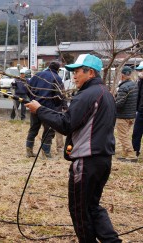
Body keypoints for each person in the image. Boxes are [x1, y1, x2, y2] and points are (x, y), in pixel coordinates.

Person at [26, 54, 121, 242]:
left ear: (91, 72)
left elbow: (66, 124)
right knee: (92, 206)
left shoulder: (87, 95)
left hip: (87, 160)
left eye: (77, 71)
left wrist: (40, 110)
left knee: (79, 209)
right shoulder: (105, 93)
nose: (74, 76)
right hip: (103, 159)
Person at [25, 62, 64, 158]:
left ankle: (29, 151)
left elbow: (28, 88)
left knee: (33, 128)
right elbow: (59, 96)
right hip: (48, 108)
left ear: (48, 67)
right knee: (48, 131)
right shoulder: (57, 78)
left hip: (35, 106)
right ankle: (46, 154)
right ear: (57, 69)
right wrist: (57, 105)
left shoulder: (37, 75)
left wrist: (32, 99)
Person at [115, 66, 138, 162]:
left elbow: (119, 103)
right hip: (131, 115)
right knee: (126, 135)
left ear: (123, 75)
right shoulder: (134, 85)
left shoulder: (123, 87)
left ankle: (131, 155)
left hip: (123, 116)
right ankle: (125, 154)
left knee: (122, 136)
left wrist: (112, 103)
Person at [132, 61, 143, 159]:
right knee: (136, 133)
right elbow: (138, 97)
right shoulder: (140, 82)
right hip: (140, 112)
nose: (140, 73)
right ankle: (135, 151)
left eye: (141, 70)